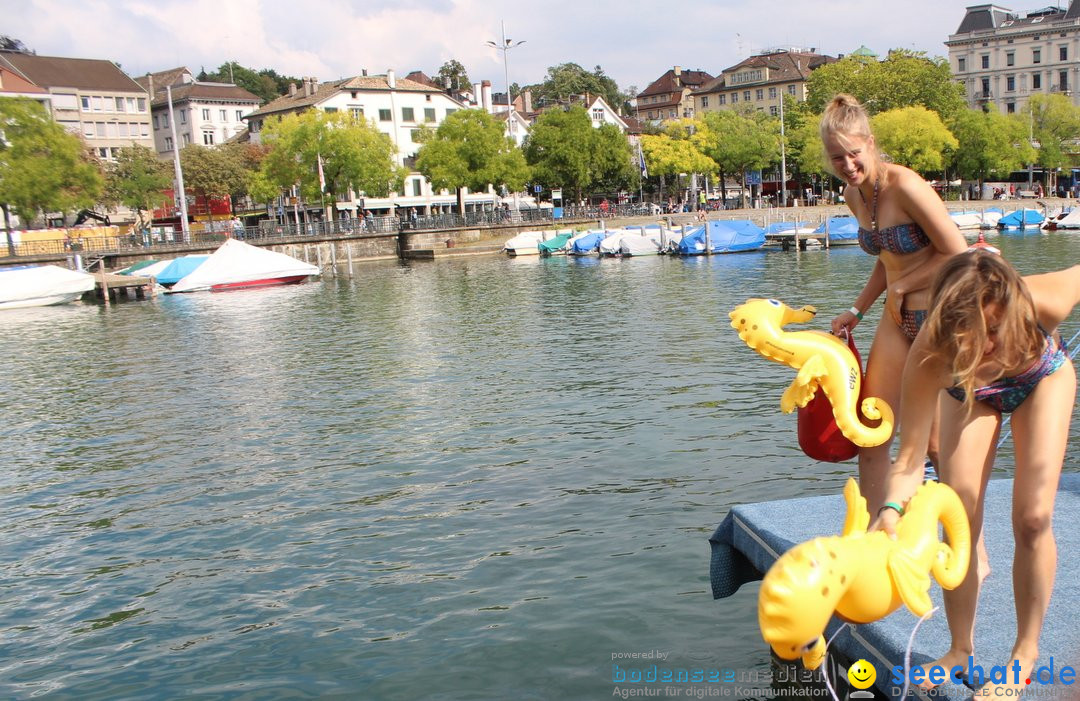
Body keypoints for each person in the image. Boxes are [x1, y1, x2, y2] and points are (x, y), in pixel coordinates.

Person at [873, 251, 1079, 697]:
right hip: (969, 392)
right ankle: (959, 650)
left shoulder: (1048, 299)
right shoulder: (931, 352)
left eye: (992, 328)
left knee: (1032, 517)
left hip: (1041, 378)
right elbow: (909, 461)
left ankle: (1024, 655)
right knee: (959, 515)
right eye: (966, 334)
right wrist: (890, 508)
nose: (983, 345)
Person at [821, 94, 969, 512]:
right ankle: (876, 538)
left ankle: (967, 539)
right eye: (837, 158)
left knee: (935, 445)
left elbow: (957, 252)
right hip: (893, 321)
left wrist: (905, 288)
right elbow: (889, 260)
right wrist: (857, 310)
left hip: (935, 316)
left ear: (870, 142)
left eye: (853, 153)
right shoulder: (853, 196)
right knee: (873, 431)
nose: (848, 165)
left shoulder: (905, 185)